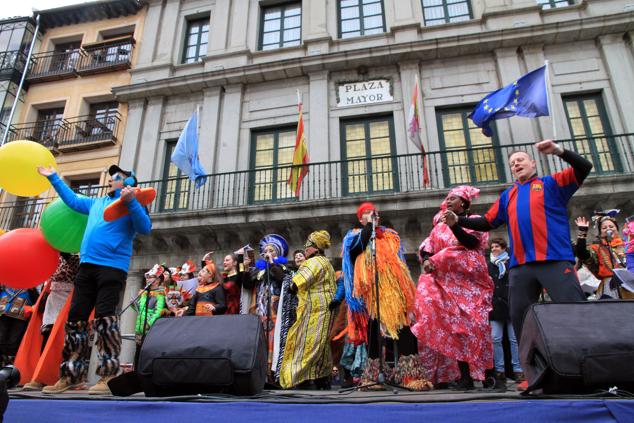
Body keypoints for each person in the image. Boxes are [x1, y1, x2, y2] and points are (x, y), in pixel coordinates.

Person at [443, 140, 590, 344]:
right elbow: (487, 222)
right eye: (512, 163)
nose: (516, 164)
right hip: (521, 267)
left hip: (554, 259)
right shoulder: (508, 195)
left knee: (576, 313)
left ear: (533, 163)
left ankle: (586, 364)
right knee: (521, 321)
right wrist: (458, 220)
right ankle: (532, 372)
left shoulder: (551, 184)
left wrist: (559, 151)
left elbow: (584, 167)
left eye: (520, 160)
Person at [37, 164, 152, 395]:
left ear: (130, 183)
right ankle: (71, 376)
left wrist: (131, 202)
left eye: (117, 177)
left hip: (112, 268)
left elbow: (145, 228)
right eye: (111, 176)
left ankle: (108, 375)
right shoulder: (96, 203)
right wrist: (53, 178)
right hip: (86, 267)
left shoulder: (135, 203)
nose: (111, 179)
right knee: (75, 320)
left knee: (105, 319)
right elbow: (72, 200)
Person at [412, 186, 493, 390]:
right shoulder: (438, 226)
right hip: (447, 282)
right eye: (447, 199)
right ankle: (464, 378)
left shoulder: (474, 219)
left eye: (453, 198)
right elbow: (428, 247)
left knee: (476, 328)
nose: (448, 201)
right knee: (456, 330)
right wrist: (428, 259)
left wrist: (455, 224)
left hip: (469, 283)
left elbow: (471, 242)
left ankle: (489, 375)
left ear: (464, 203)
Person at [341, 202, 417, 361]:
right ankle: (374, 373)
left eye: (374, 212)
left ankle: (410, 373)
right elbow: (357, 248)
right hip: (370, 294)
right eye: (367, 213)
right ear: (361, 219)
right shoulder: (353, 236)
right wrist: (369, 226)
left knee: (403, 330)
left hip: (393, 291)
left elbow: (400, 263)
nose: (372, 214)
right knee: (374, 333)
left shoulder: (390, 236)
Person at [279, 231, 336, 389]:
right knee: (322, 345)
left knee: (304, 342)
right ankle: (321, 378)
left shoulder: (314, 262)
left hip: (315, 309)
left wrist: (292, 285)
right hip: (325, 308)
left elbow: (298, 281)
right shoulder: (326, 262)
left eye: (308, 246)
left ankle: (297, 377)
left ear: (316, 248)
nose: (305, 249)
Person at [17, 253, 80, 391]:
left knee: (62, 340)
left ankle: (58, 376)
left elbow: (75, 266)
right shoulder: (53, 257)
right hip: (53, 299)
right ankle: (41, 376)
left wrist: (64, 252)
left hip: (68, 300)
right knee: (47, 335)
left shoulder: (78, 254)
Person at [243, 234, 292, 377]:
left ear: (278, 253)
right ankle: (259, 373)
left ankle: (273, 374)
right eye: (265, 251)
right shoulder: (258, 269)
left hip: (276, 313)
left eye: (271, 251)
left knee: (273, 341)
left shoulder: (283, 267)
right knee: (260, 342)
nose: (267, 253)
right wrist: (246, 269)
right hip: (260, 311)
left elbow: (282, 280)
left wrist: (273, 263)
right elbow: (247, 285)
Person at [487, 238, 523, 391]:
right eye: (492, 247)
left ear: (503, 248)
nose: (494, 249)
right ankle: (500, 370)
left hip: (510, 304)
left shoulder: (511, 263)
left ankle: (518, 370)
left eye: (496, 246)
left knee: (514, 339)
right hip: (495, 306)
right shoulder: (489, 265)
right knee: (495, 338)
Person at [575, 212, 633, 299]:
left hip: (630, 284)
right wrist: (582, 232)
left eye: (611, 226)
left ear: (617, 229)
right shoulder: (597, 248)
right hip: (609, 287)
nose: (608, 229)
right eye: (604, 228)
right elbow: (581, 253)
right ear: (600, 232)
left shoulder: (628, 245)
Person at [134, 264, 167, 366]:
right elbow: (140, 310)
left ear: (157, 280)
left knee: (147, 356)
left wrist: (149, 323)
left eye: (150, 277)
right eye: (147, 277)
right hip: (140, 329)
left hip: (150, 329)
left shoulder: (161, 294)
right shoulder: (144, 293)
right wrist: (134, 303)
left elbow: (158, 312)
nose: (147, 279)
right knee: (137, 356)